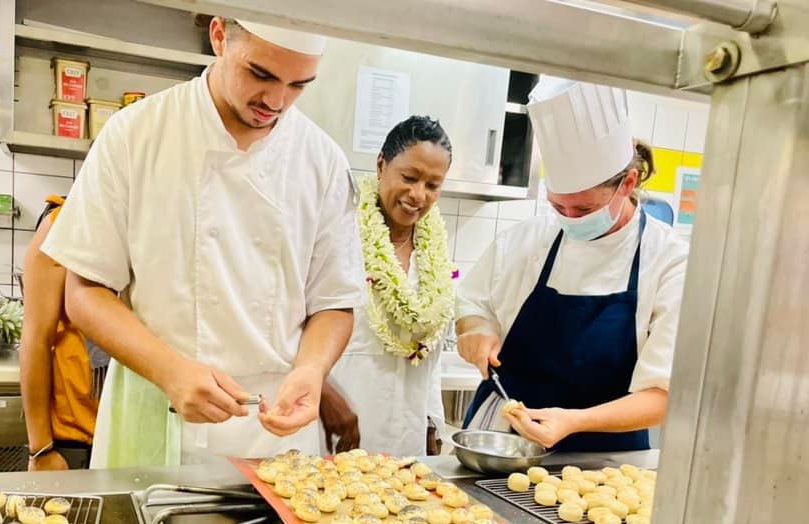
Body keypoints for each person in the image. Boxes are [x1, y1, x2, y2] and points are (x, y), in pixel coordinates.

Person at [40, 17, 364, 467]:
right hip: (155, 408)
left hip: (271, 430)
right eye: (261, 74)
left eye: (298, 85)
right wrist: (170, 372)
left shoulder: (323, 160)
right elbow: (84, 293)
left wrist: (312, 369)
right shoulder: (136, 134)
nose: (277, 101)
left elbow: (333, 302)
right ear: (218, 37)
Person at [456, 78, 688, 451]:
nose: (569, 218)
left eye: (583, 209)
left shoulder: (670, 261)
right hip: (503, 444)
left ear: (627, 183)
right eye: (557, 206)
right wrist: (477, 330)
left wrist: (575, 421)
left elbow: (663, 395)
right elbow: (472, 304)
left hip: (607, 456)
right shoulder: (527, 240)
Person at [320, 116, 455, 457]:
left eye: (432, 185)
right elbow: (292, 328)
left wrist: (431, 422)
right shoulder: (339, 232)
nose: (418, 195)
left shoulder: (434, 253)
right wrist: (322, 393)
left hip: (407, 440)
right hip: (337, 431)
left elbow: (430, 348)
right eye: (409, 178)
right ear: (381, 165)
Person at [20, 195, 110, 470]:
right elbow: (36, 339)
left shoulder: (147, 233)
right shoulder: (63, 225)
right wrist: (41, 449)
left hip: (138, 432)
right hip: (76, 439)